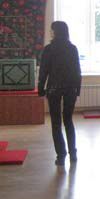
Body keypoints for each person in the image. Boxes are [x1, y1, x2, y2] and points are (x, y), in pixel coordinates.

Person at [38, 21, 82, 166]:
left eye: (52, 30)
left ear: (54, 32)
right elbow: (77, 70)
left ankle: (61, 155)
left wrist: (40, 87)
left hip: (54, 88)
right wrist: (78, 89)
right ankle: (73, 154)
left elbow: (44, 70)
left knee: (56, 123)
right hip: (70, 88)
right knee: (68, 120)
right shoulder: (72, 48)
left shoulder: (49, 49)